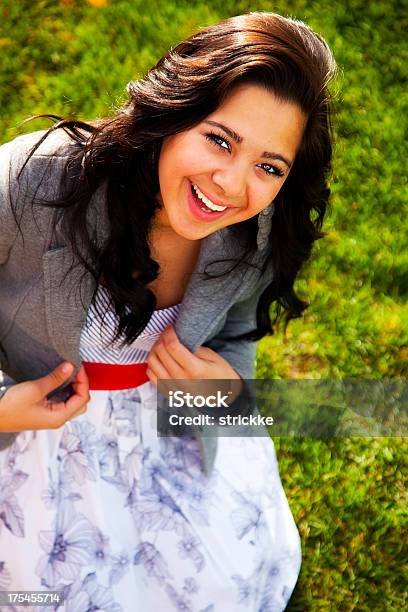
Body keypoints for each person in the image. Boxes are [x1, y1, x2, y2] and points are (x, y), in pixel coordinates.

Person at [0, 11, 337, 612]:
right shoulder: (30, 183)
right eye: (220, 139)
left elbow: (237, 331)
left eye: (269, 166)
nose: (232, 185)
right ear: (173, 112)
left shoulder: (256, 234)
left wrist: (221, 392)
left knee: (221, 583)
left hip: (165, 429)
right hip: (30, 430)